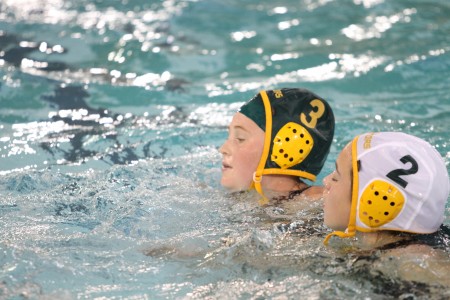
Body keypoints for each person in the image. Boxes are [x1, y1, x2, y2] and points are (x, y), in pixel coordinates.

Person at [322, 131, 450, 286]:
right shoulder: (392, 249)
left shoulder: (414, 261)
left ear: (374, 198)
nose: (325, 181)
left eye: (336, 177)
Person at [219, 88, 335, 205]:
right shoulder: (242, 196)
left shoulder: (317, 201)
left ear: (285, 146)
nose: (223, 149)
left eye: (240, 138)